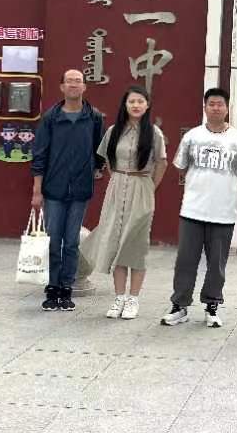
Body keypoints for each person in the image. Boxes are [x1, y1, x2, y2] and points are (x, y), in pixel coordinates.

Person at [160, 87, 237, 329]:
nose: (215, 108)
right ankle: (179, 306)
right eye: (211, 104)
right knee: (185, 261)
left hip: (223, 213)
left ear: (227, 108)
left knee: (217, 264)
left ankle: (212, 306)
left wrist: (227, 186)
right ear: (205, 107)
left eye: (220, 104)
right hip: (192, 211)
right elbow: (181, 166)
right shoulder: (192, 136)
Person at [81, 86, 167, 320]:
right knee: (115, 243)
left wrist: (150, 186)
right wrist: (119, 178)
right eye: (132, 102)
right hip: (117, 188)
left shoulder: (154, 133)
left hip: (142, 188)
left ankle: (133, 299)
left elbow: (161, 163)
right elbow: (108, 160)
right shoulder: (113, 131)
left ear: (147, 105)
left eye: (140, 101)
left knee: (136, 245)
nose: (136, 105)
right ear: (125, 105)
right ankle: (119, 297)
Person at [31, 69, 104, 312]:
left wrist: (96, 169)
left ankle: (66, 289)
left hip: (80, 189)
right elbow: (39, 154)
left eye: (78, 81)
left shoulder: (93, 117)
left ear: (84, 87)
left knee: (72, 242)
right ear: (62, 87)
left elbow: (99, 149)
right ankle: (52, 288)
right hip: (54, 188)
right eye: (69, 81)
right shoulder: (51, 117)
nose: (74, 85)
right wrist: (37, 190)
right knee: (54, 241)